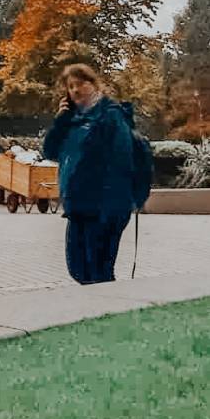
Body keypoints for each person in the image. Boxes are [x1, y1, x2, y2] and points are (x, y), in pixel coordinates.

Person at [43, 61, 149, 285]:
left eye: (80, 84)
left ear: (93, 84)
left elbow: (121, 161)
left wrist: (115, 203)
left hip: (106, 207)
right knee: (78, 269)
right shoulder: (73, 120)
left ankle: (108, 311)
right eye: (70, 87)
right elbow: (50, 151)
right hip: (79, 205)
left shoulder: (111, 116)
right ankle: (103, 307)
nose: (75, 90)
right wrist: (61, 121)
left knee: (98, 271)